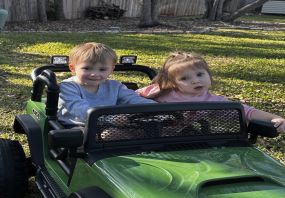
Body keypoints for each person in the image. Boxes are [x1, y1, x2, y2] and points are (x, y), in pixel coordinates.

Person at [137, 51, 285, 133]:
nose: (195, 81)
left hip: (174, 138)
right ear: (173, 83)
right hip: (135, 132)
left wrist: (274, 118)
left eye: (200, 75)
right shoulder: (159, 92)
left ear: (209, 75)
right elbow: (127, 98)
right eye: (185, 78)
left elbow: (246, 112)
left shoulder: (213, 101)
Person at [58, 42, 155, 127]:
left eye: (102, 69)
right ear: (73, 68)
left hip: (110, 124)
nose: (95, 74)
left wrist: (156, 108)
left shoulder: (115, 86)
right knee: (108, 136)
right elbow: (79, 109)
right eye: (87, 68)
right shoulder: (68, 86)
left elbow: (133, 99)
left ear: (111, 70)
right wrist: (108, 119)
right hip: (76, 126)